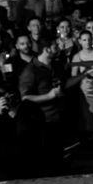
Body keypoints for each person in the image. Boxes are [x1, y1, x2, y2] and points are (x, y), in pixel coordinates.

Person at [18, 42, 66, 175]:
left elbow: (64, 84)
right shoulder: (30, 71)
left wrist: (84, 74)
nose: (59, 49)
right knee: (47, 159)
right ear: (46, 49)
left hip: (59, 116)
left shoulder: (56, 65)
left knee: (58, 157)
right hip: (44, 120)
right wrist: (49, 96)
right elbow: (25, 98)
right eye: (55, 47)